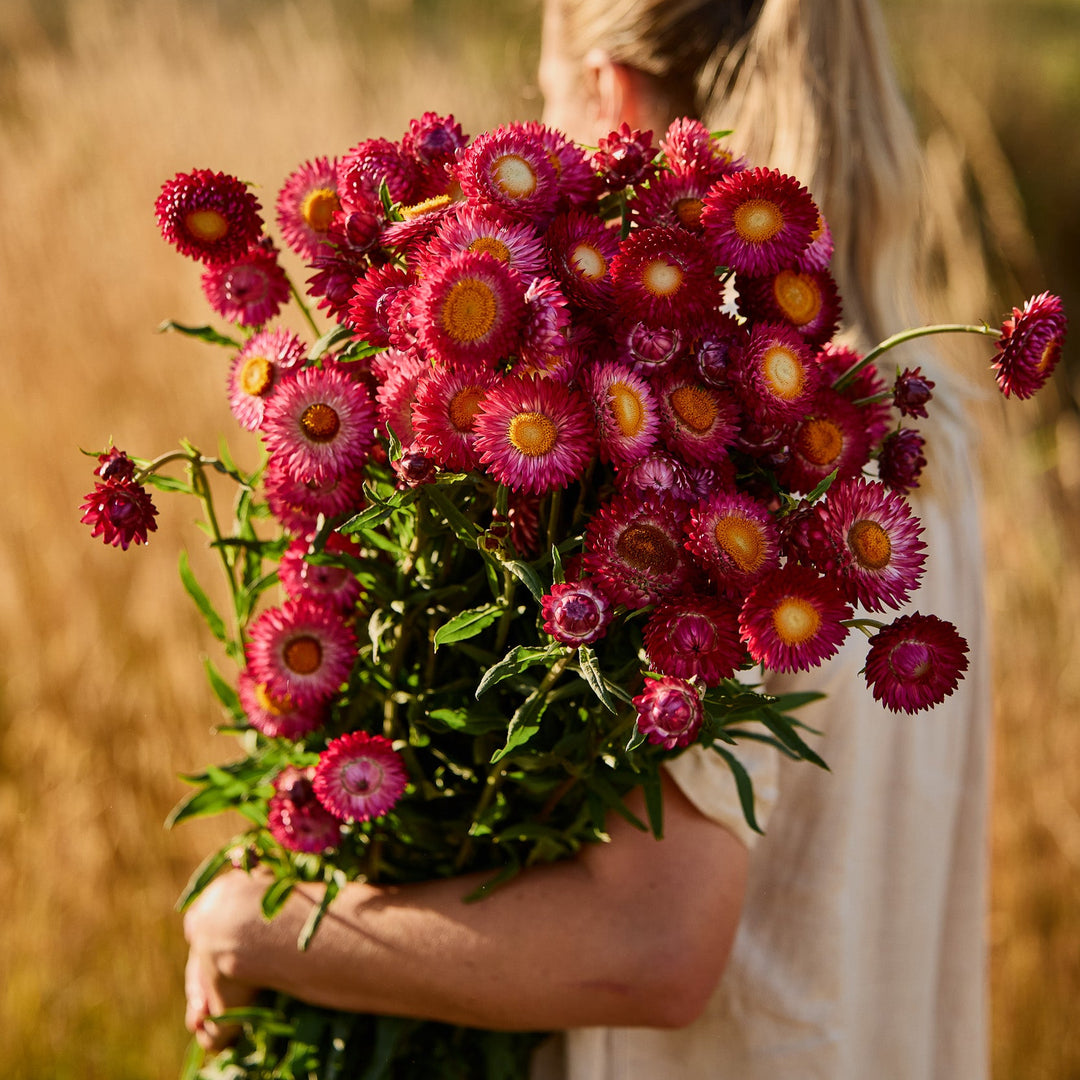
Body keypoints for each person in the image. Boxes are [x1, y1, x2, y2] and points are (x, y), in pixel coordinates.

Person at [184, 1, 992, 1076]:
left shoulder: (708, 469)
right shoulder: (924, 427)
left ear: (610, 100)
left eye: (544, 106)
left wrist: (259, 927)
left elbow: (649, 946)